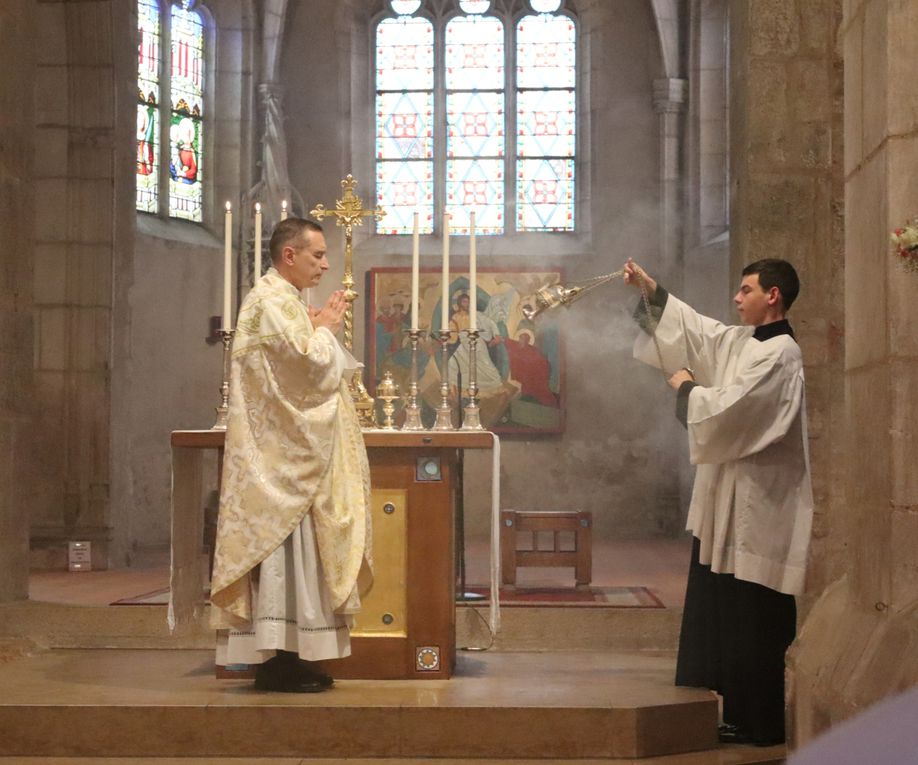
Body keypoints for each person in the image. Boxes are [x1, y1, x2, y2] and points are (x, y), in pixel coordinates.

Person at [624, 257, 813, 746]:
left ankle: (763, 724)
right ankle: (740, 713)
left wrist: (687, 387)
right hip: (730, 502)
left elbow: (734, 410)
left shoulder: (782, 355)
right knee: (732, 611)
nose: (736, 298)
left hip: (760, 506)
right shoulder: (745, 342)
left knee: (756, 615)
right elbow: (699, 333)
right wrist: (654, 293)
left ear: (773, 296)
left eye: (746, 290)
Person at [210, 218, 374, 693]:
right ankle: (278, 660)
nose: (326, 264)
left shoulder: (283, 301)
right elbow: (306, 370)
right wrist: (323, 330)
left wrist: (317, 326)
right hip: (282, 468)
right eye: (317, 255)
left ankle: (294, 656)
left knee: (301, 561)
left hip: (293, 459)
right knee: (287, 561)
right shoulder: (271, 302)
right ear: (289, 256)